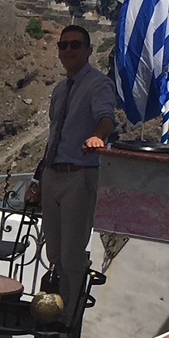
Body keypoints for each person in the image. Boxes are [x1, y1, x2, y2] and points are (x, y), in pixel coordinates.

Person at [38, 24, 116, 293]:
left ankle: (70, 315)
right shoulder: (60, 89)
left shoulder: (98, 84)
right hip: (53, 174)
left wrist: (97, 137)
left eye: (75, 45)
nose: (68, 50)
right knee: (54, 252)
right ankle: (56, 306)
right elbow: (53, 132)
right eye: (63, 45)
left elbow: (106, 118)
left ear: (89, 50)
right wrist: (39, 179)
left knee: (72, 253)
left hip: (79, 174)